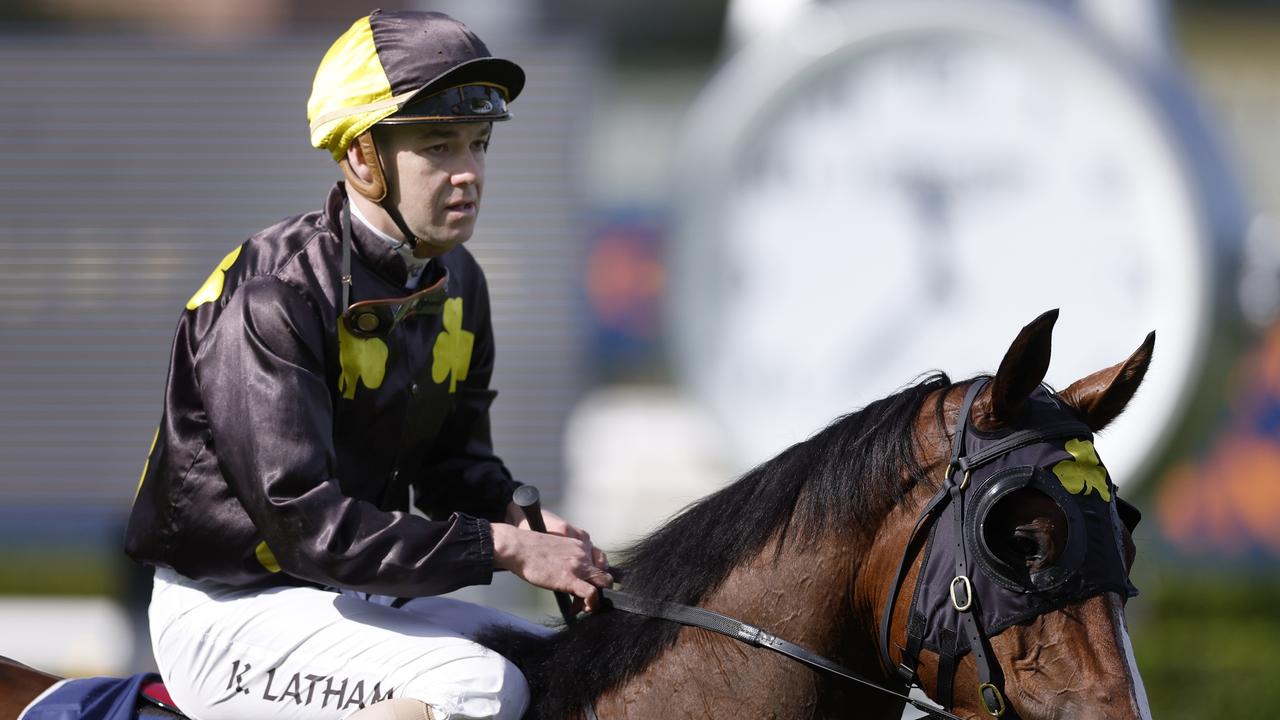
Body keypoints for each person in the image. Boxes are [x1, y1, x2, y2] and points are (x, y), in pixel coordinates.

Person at [123, 11, 612, 720]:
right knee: (477, 686)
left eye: (477, 143)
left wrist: (517, 518)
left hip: (348, 600)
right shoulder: (275, 295)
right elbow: (308, 529)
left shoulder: (458, 281)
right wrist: (501, 547)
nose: (469, 172)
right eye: (438, 147)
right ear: (361, 157)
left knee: (553, 664)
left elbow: (450, 468)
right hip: (228, 614)